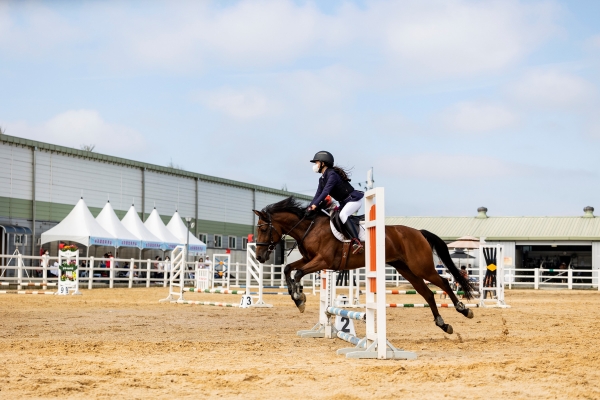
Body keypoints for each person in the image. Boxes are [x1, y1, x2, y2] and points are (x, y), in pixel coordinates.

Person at [307, 151, 364, 254]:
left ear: (323, 163)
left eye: (316, 163)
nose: (315, 165)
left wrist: (316, 205)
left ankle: (356, 241)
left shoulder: (332, 174)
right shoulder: (322, 179)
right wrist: (310, 206)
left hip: (353, 200)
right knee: (334, 217)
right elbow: (317, 194)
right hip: (344, 203)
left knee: (343, 215)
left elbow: (326, 192)